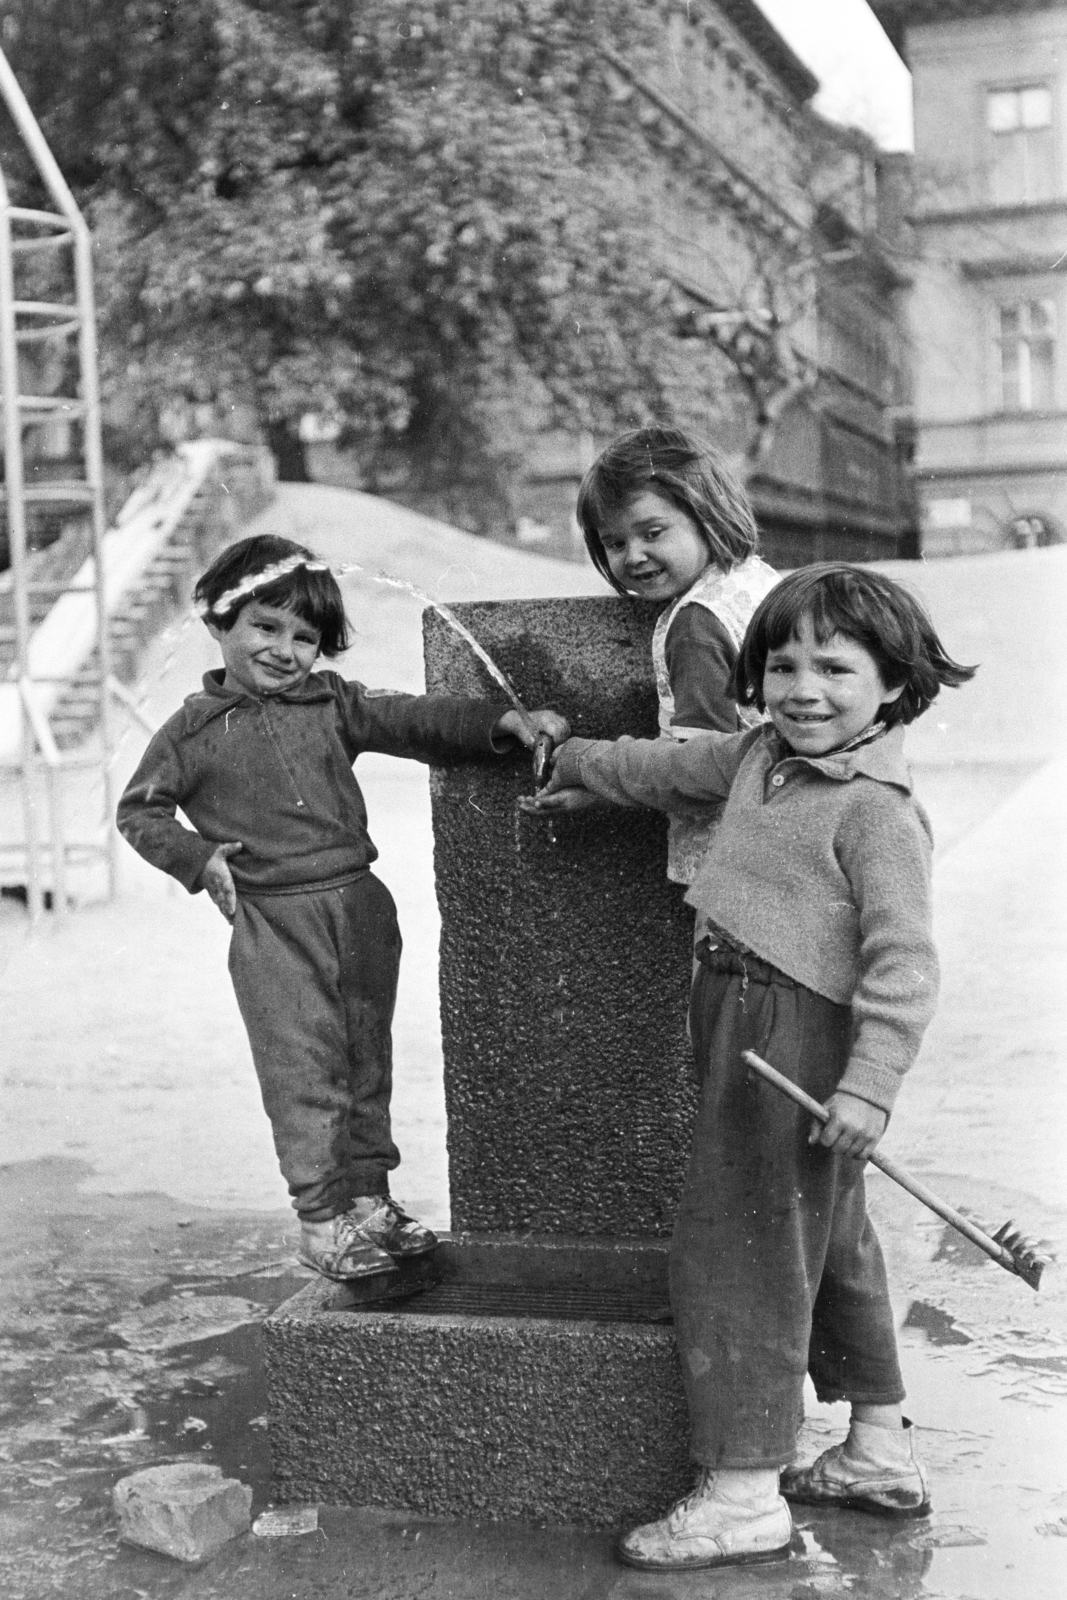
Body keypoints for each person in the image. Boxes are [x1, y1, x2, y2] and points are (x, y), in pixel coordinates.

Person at [522, 563, 975, 1572]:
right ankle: (875, 1447)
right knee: (827, 1233)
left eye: (834, 668)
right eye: (780, 664)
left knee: (739, 1245)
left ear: (894, 686)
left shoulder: (875, 812)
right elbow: (659, 769)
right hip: (735, 1006)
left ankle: (740, 1490)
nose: (801, 688)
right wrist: (575, 755)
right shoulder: (759, 754)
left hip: (796, 1038)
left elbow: (904, 966)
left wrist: (865, 1085)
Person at [117, 534, 568, 1285]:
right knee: (304, 1074)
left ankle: (368, 1203)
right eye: (265, 627)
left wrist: (503, 725)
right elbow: (140, 812)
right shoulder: (190, 732)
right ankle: (321, 1223)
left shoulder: (332, 704)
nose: (286, 651)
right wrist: (200, 861)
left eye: (306, 638)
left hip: (359, 909)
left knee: (366, 1062)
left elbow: (413, 720)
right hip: (275, 923)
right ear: (221, 622)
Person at [577, 425, 778, 882]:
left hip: (733, 869)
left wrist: (596, 785)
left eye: (652, 532)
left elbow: (698, 770)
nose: (634, 556)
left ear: (706, 514)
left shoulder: (695, 625)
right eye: (614, 542)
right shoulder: (753, 579)